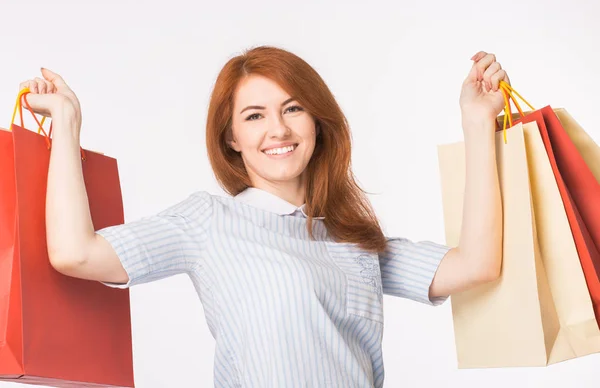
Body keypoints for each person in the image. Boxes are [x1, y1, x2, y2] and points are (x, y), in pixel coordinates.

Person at [19, 46, 505, 387]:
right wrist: (66, 123)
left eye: (293, 109)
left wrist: (477, 122)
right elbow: (75, 253)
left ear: (316, 121)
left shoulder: (353, 241)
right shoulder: (208, 222)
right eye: (254, 116)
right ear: (231, 137)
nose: (278, 129)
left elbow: (476, 265)